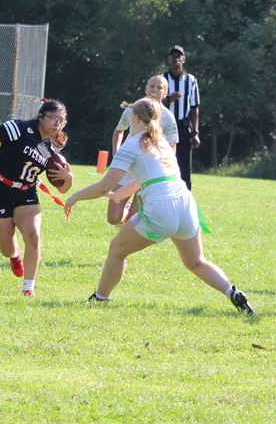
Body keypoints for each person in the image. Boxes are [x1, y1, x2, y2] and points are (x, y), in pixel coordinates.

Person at [64, 98, 254, 313]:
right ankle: (231, 292)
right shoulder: (161, 141)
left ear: (135, 118)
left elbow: (103, 185)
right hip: (185, 203)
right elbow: (146, 178)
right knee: (196, 262)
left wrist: (74, 197)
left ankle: (100, 299)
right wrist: (118, 196)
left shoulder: (131, 144)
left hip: (161, 208)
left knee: (117, 249)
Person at [0, 99, 73, 297]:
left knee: (34, 237)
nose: (57, 123)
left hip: (25, 194)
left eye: (62, 120)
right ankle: (14, 255)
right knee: (6, 248)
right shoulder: (19, 128)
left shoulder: (51, 149)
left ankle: (28, 289)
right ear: (41, 116)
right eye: (53, 118)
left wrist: (68, 178)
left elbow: (62, 190)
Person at [109, 75, 178, 225]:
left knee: (132, 220)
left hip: (149, 172)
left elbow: (172, 145)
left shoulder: (168, 117)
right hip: (128, 168)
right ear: (145, 88)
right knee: (113, 218)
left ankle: (130, 219)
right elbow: (119, 130)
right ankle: (127, 207)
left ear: (165, 93)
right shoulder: (132, 110)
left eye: (159, 87)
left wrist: (165, 168)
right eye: (152, 86)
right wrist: (116, 153)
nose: (154, 89)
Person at [161, 46, 200, 190]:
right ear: (169, 59)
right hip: (163, 127)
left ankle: (185, 196)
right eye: (173, 57)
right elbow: (153, 103)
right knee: (162, 163)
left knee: (184, 166)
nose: (176, 59)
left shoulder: (191, 80)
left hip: (183, 127)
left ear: (183, 59)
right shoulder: (162, 79)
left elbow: (194, 108)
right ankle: (162, 194)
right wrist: (169, 100)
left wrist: (195, 133)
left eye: (179, 57)